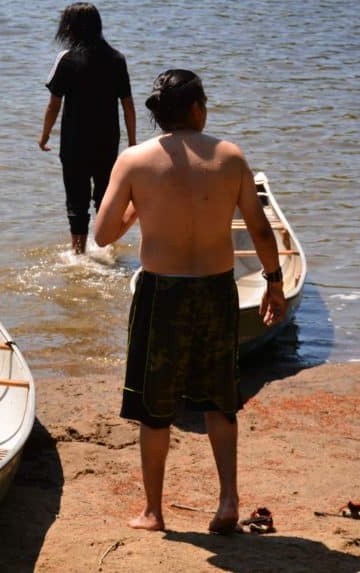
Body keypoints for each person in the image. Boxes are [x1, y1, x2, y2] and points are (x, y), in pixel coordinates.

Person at [94, 69, 287, 534]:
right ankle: (227, 502)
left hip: (162, 293)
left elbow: (102, 234)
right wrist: (274, 283)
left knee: (154, 408)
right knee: (219, 401)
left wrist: (139, 207)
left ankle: (154, 512)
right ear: (197, 108)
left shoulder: (135, 160)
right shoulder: (230, 157)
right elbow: (260, 230)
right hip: (218, 289)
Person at [39, 2, 136, 254]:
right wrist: (132, 143)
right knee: (105, 196)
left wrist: (45, 135)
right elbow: (128, 105)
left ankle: (79, 253)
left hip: (74, 143)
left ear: (71, 28)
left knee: (76, 200)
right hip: (107, 142)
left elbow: (54, 105)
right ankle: (108, 248)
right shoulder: (117, 59)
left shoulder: (67, 59)